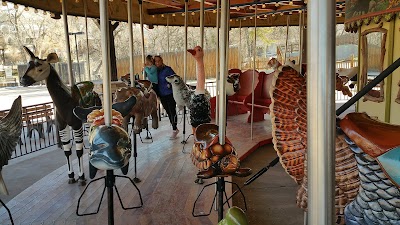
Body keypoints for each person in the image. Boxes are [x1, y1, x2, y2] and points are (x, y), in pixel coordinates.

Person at [154, 55, 179, 139]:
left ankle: (174, 129)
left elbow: (175, 78)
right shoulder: (155, 71)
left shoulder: (167, 69)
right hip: (161, 94)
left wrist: (170, 84)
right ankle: (174, 128)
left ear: (161, 61)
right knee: (168, 112)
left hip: (170, 93)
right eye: (155, 61)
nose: (157, 63)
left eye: (159, 61)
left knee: (172, 111)